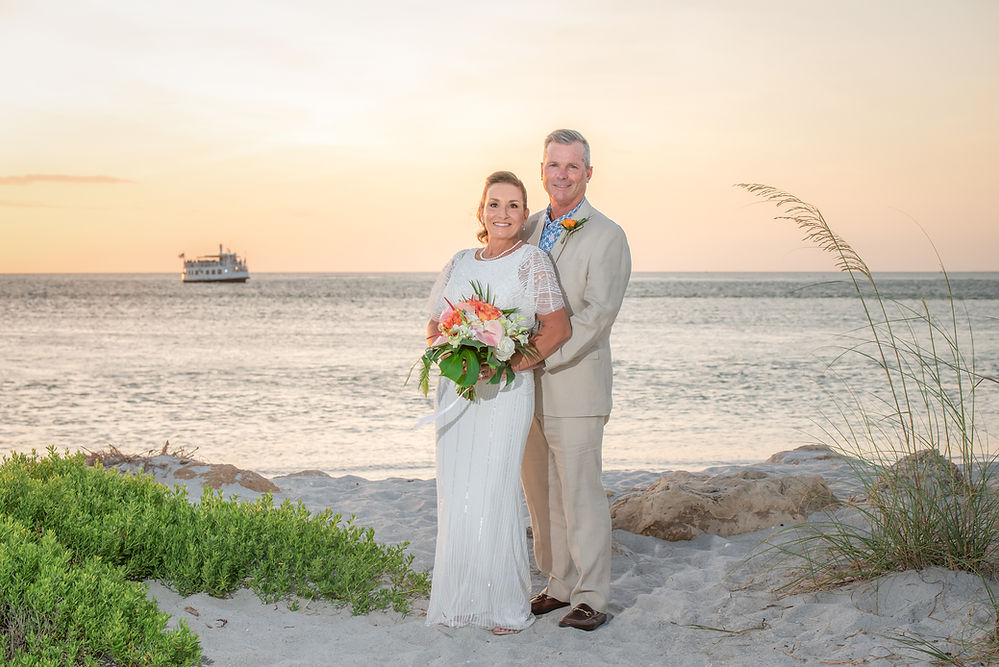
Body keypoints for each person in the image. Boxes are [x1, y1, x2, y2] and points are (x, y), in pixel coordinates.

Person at [424, 171, 571, 635]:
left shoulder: (533, 261)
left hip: (506, 390)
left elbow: (557, 327)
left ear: (524, 215)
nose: (502, 213)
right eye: (494, 204)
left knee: (495, 490)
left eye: (512, 206)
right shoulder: (459, 261)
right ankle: (457, 601)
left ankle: (505, 606)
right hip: (459, 392)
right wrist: (454, 358)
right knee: (457, 491)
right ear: (480, 211)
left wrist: (509, 364)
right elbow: (435, 324)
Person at [519, 129, 631, 631]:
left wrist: (537, 356)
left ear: (588, 172)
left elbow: (596, 316)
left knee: (581, 492)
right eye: (552, 165)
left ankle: (591, 594)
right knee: (541, 491)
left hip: (574, 381)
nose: (561, 174)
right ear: (541, 169)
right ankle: (558, 583)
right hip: (525, 386)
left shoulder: (608, 235)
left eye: (571, 166)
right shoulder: (529, 226)